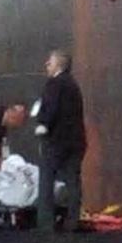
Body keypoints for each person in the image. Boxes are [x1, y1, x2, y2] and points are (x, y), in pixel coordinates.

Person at [35, 49, 86, 232]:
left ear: (58, 64)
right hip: (76, 142)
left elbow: (50, 108)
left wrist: (43, 125)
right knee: (73, 181)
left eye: (49, 62)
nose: (46, 65)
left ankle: (45, 223)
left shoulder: (54, 84)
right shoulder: (73, 85)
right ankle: (73, 221)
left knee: (46, 180)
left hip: (56, 142)